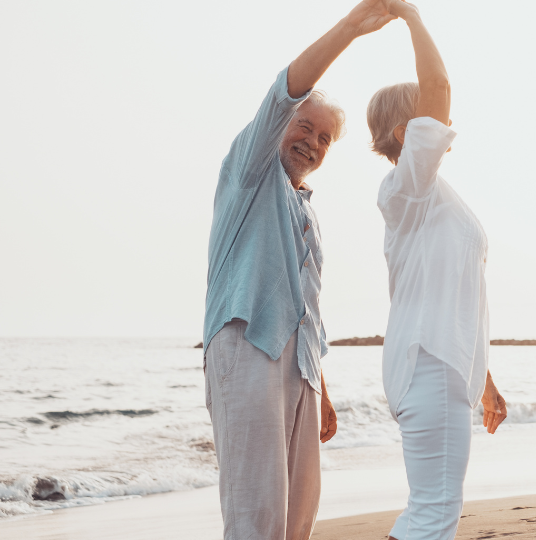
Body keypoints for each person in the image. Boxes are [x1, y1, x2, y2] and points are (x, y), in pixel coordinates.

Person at [201, 2, 396, 538]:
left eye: (325, 138)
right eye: (304, 127)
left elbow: (304, 312)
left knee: (296, 519)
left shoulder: (303, 207)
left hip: (301, 369)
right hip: (247, 348)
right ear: (278, 127)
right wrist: (352, 29)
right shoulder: (249, 174)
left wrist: (322, 389)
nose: (312, 142)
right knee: (256, 516)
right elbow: (286, 88)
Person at [366, 2, 508, 538]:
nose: (444, 125)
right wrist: (411, 16)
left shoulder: (434, 198)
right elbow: (440, 88)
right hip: (427, 366)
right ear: (407, 133)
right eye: (428, 119)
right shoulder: (408, 187)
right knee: (434, 510)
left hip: (444, 367)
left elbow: (459, 297)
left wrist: (484, 381)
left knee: (433, 506)